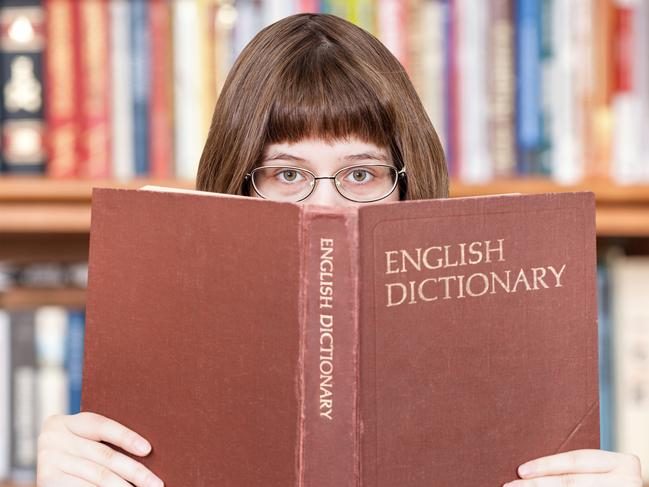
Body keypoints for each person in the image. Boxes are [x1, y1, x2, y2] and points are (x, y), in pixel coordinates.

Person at [37, 13, 642, 487]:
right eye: (287, 173)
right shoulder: (152, 363)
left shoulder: (514, 363)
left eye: (360, 174)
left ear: (409, 183)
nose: (324, 206)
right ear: (235, 180)